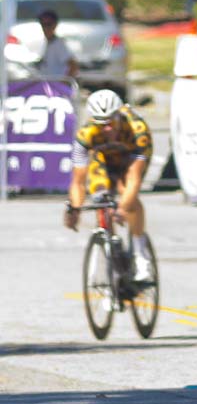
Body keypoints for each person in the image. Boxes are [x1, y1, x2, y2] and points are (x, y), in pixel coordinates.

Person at [63, 90, 154, 280]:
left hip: (131, 159)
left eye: (111, 122)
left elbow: (134, 178)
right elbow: (78, 182)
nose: (106, 129)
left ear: (119, 115)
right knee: (100, 196)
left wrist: (123, 208)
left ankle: (140, 253)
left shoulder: (137, 130)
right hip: (104, 159)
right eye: (100, 123)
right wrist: (75, 209)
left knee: (126, 192)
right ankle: (111, 256)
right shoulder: (85, 135)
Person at [36, 10, 79, 78]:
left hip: (55, 85)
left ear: (55, 25)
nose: (46, 28)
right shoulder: (48, 43)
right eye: (43, 24)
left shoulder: (59, 44)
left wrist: (62, 84)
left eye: (48, 24)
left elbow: (73, 66)